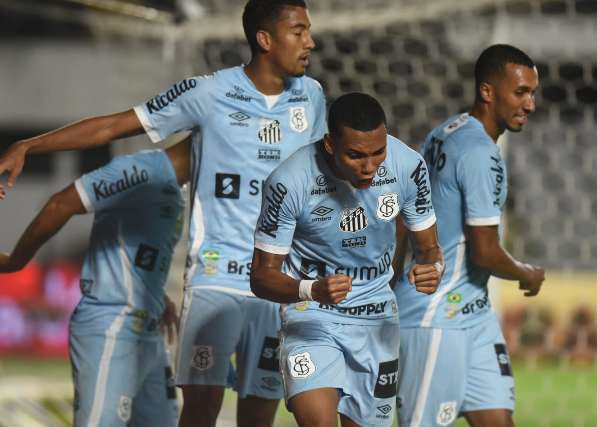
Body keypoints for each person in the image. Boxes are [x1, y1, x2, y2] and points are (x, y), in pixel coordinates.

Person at [0, 1, 326, 425]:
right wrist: (30, 145)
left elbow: (320, 183)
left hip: (277, 284)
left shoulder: (312, 97)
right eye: (298, 31)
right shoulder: (207, 94)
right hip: (216, 281)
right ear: (265, 40)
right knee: (201, 411)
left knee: (259, 415)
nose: (310, 42)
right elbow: (114, 126)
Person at [250, 92, 443, 427]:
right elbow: (261, 276)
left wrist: (433, 268)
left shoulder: (408, 167)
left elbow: (429, 248)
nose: (369, 167)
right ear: (329, 144)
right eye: (355, 155)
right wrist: (312, 290)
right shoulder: (289, 181)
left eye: (377, 152)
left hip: (376, 319)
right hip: (312, 319)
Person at [394, 44, 545, 427]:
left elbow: (404, 208)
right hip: (436, 316)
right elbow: (484, 252)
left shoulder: (446, 130)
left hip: (474, 315)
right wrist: (526, 272)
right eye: (520, 92)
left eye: (533, 93)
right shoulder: (480, 154)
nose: (530, 104)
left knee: (498, 419)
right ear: (487, 92)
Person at [0, 141, 190, 426]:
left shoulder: (180, 189)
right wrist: (17, 260)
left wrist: (157, 295)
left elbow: (135, 249)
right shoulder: (140, 171)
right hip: (112, 325)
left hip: (149, 332)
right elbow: (61, 203)